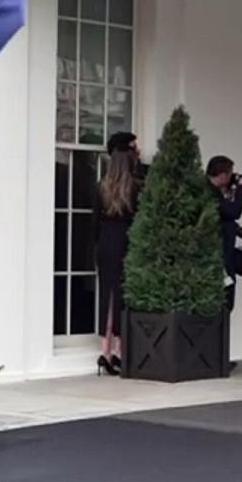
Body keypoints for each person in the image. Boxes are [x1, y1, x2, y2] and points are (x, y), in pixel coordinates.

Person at [94, 148, 142, 376]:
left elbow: (95, 219)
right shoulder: (134, 187)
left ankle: (104, 351)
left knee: (107, 295)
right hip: (125, 240)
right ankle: (119, 351)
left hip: (105, 240)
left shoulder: (102, 187)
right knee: (122, 294)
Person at [207, 155, 242, 371]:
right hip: (219, 260)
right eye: (230, 174)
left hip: (221, 256)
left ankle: (219, 355)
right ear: (223, 175)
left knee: (224, 307)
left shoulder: (214, 193)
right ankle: (218, 357)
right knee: (224, 305)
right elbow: (233, 212)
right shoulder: (211, 194)